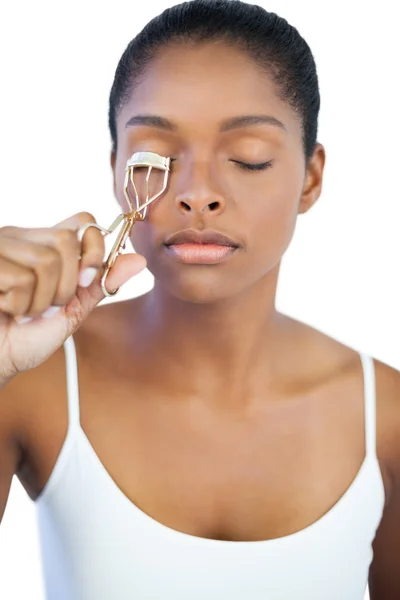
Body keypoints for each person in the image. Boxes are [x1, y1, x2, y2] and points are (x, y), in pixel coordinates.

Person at [0, 0, 399, 598]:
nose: (197, 195)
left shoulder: (388, 420)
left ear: (311, 179)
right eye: (155, 157)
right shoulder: (31, 380)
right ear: (116, 171)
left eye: (249, 159)